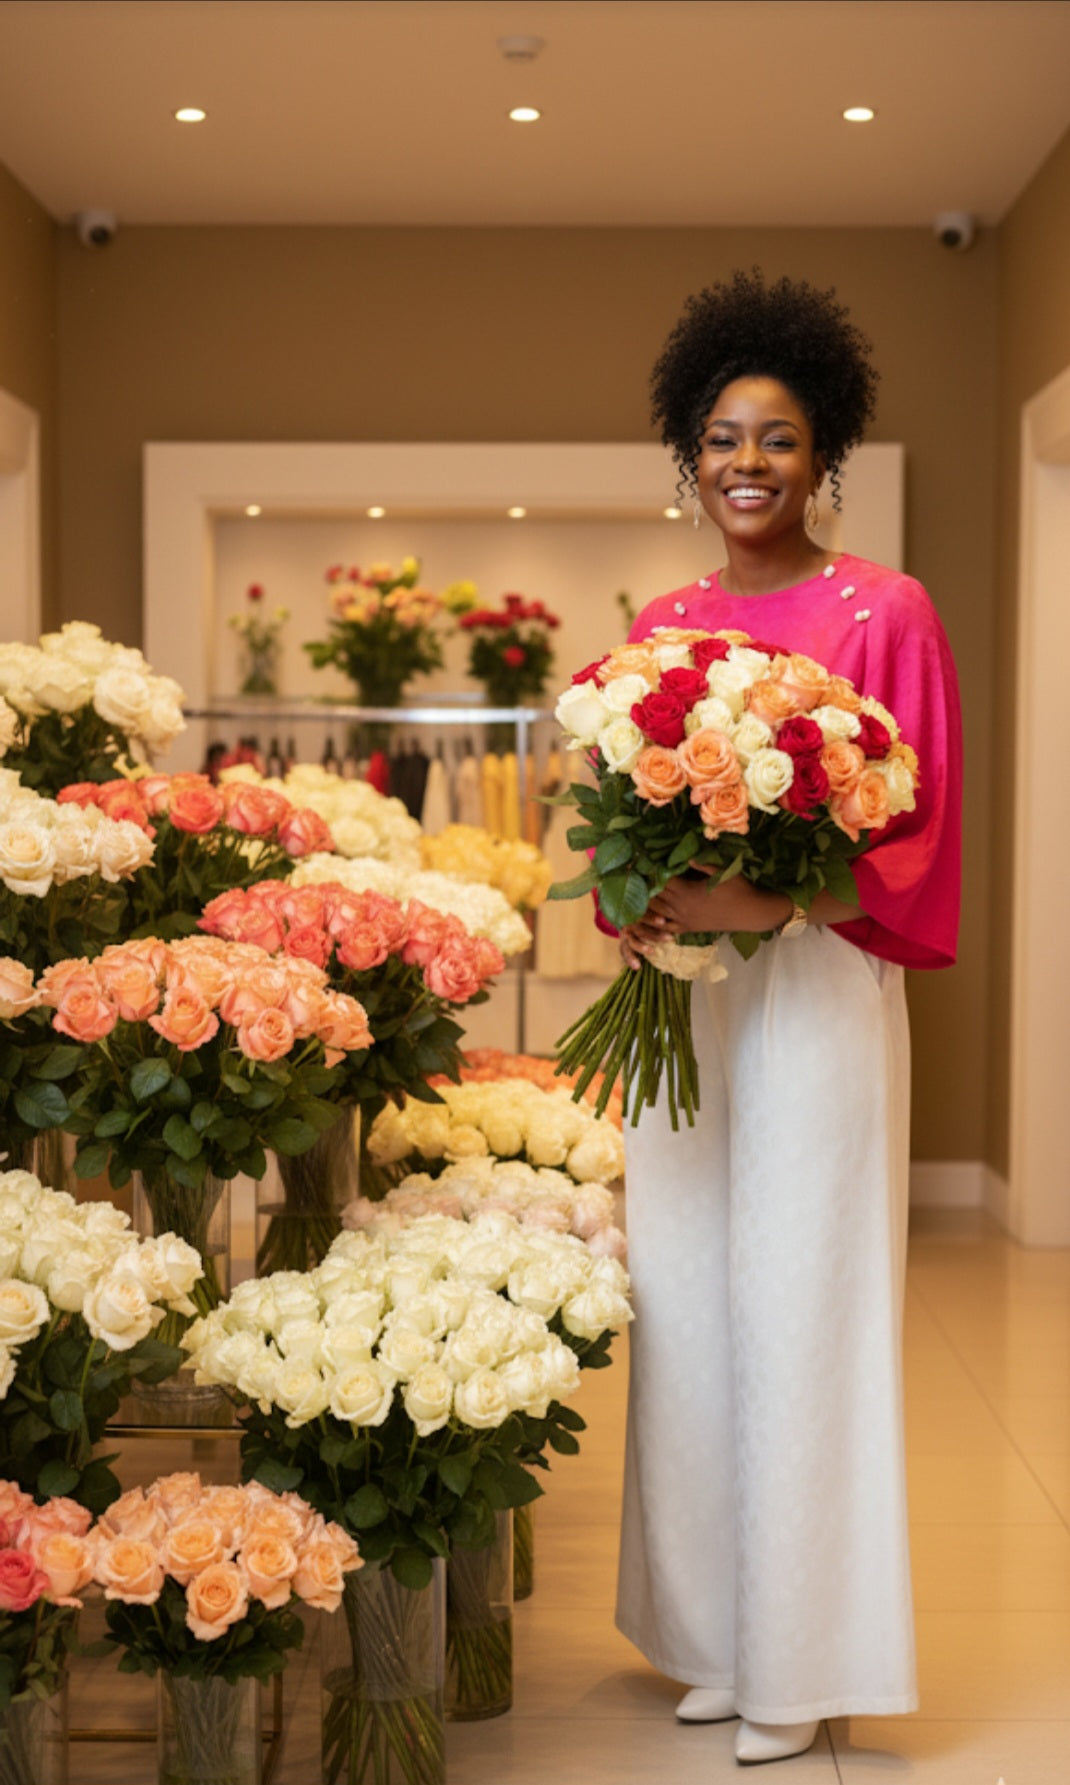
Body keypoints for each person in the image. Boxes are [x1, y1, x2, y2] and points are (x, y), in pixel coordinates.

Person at [613, 270, 962, 1766]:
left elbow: (916, 814)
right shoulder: (666, 619)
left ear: (823, 459)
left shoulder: (884, 607)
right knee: (684, 1297)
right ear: (687, 458)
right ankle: (713, 1629)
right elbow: (621, 803)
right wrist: (629, 892)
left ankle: (800, 1657)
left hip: (815, 979)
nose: (745, 462)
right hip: (682, 994)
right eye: (719, 436)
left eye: (777, 437)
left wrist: (777, 905)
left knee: (796, 1302)